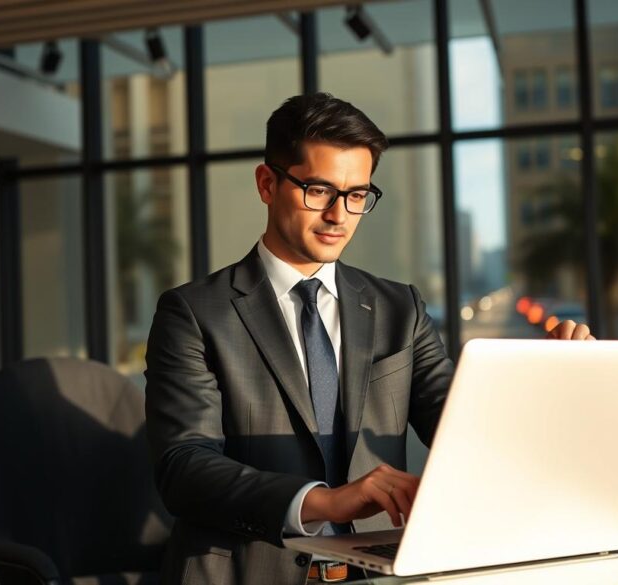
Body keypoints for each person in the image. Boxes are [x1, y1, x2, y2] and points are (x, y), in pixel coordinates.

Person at [144, 92, 594, 585]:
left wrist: (551, 387)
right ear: (267, 183)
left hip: (377, 575)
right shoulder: (193, 312)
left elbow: (462, 429)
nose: (340, 215)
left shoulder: (400, 309)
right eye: (318, 190)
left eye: (357, 194)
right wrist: (323, 501)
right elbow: (183, 467)